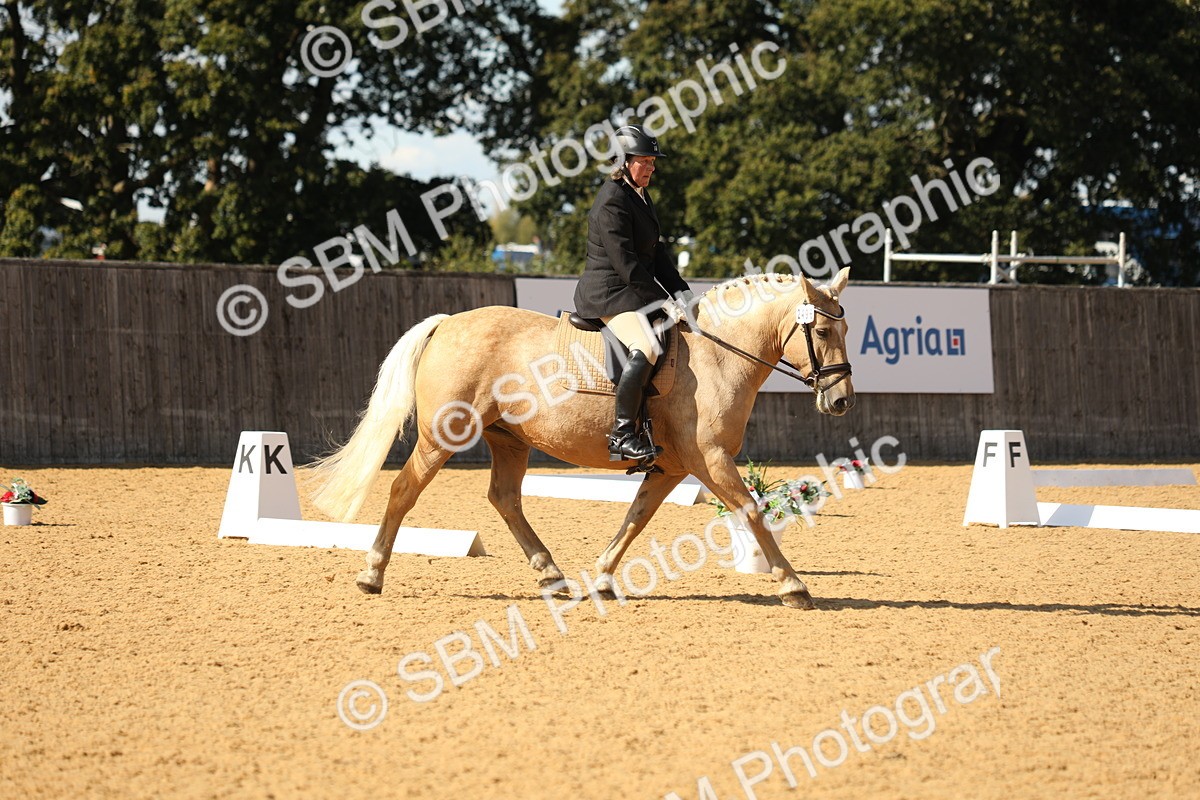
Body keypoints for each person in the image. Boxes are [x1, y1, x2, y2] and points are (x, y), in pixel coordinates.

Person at [573, 124, 692, 464]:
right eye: (645, 161)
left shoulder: (639, 193)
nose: (652, 167)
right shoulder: (612, 200)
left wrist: (683, 293)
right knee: (648, 345)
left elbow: (656, 255)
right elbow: (626, 264)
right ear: (624, 162)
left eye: (653, 161)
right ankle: (622, 435)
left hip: (629, 289)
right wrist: (661, 301)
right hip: (608, 293)